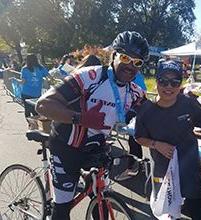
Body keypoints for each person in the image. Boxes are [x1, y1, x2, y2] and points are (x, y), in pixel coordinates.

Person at [35, 31, 149, 220]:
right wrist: (81, 119)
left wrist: (180, 98)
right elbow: (43, 105)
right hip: (65, 148)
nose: (130, 65)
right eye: (125, 57)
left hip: (95, 149)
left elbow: (157, 113)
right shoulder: (89, 77)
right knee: (62, 210)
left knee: (99, 197)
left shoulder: (134, 91)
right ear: (113, 55)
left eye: (137, 62)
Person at [135, 60, 201, 219]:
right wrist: (156, 144)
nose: (169, 87)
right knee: (166, 214)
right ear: (156, 83)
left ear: (180, 85)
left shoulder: (189, 104)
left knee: (198, 212)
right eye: (163, 81)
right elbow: (139, 137)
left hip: (189, 171)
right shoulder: (146, 110)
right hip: (162, 171)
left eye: (174, 82)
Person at [10, 54, 49, 118]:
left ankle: (31, 125)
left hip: (26, 92)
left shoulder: (24, 69)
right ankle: (36, 125)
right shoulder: (41, 68)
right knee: (36, 110)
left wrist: (15, 79)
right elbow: (50, 77)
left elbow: (22, 82)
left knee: (27, 110)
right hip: (37, 93)